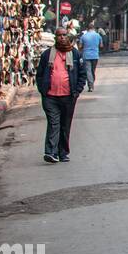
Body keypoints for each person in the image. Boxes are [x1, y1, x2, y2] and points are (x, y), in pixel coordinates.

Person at [35, 27, 88, 164]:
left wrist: (77, 91)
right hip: (50, 96)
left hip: (68, 96)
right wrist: (43, 90)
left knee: (65, 124)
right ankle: (50, 152)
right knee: (54, 123)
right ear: (55, 37)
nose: (62, 38)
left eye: (64, 35)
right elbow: (40, 74)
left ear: (68, 37)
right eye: (59, 35)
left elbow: (82, 74)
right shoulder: (47, 55)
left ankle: (63, 152)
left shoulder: (75, 54)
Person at [78, 25, 103, 92]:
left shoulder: (83, 36)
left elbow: (80, 46)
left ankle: (91, 86)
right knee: (92, 70)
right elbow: (101, 45)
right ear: (93, 28)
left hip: (86, 55)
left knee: (88, 71)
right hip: (95, 55)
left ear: (87, 29)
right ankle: (92, 82)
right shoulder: (98, 35)